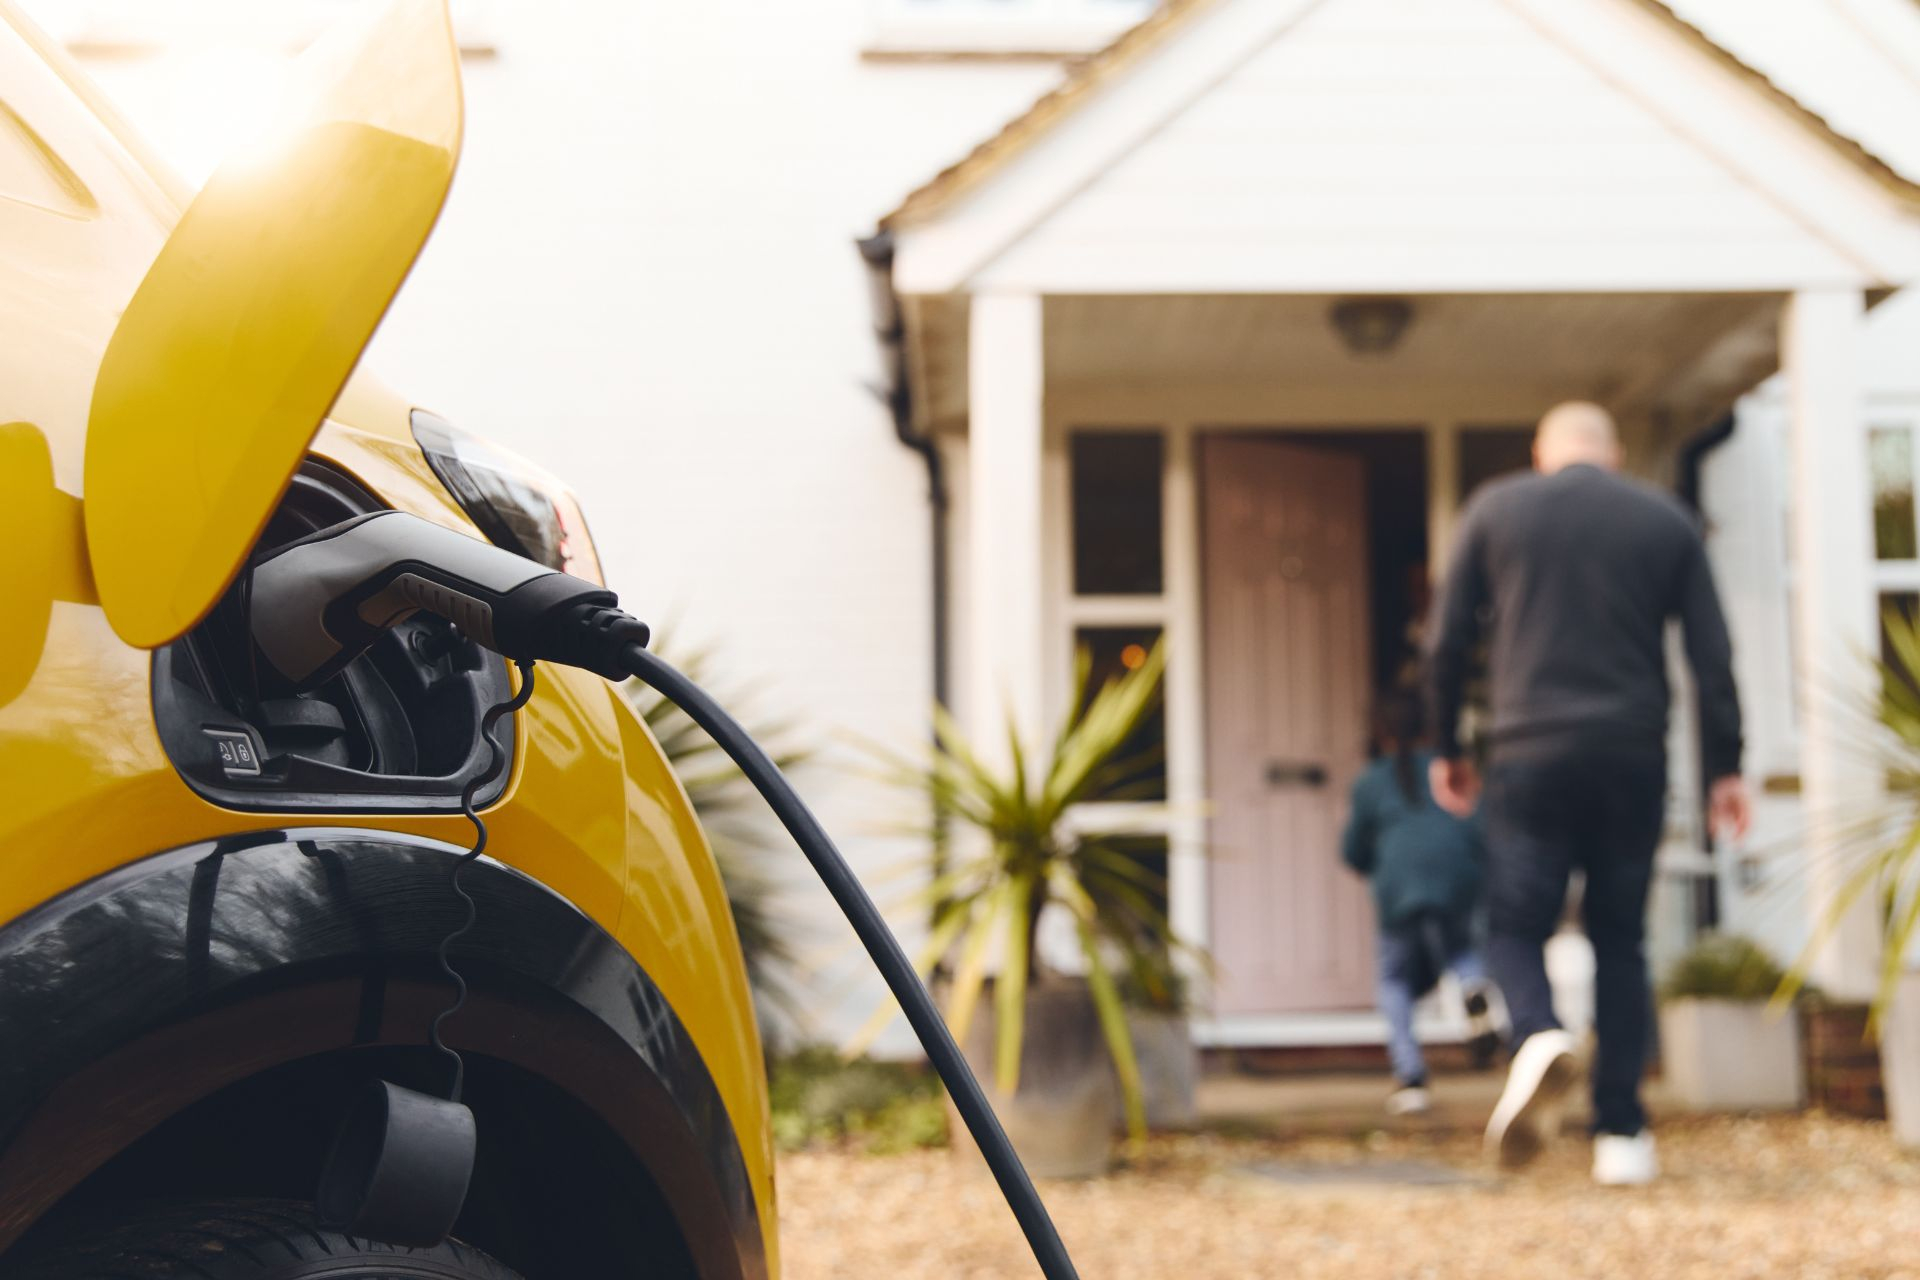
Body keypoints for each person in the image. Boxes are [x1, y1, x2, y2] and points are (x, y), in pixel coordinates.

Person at [1424, 401, 1749, 1186]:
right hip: (1631, 755)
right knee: (1621, 941)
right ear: (1613, 453)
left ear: (1545, 454)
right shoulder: (1664, 520)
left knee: (1513, 925)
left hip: (1530, 752)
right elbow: (1712, 654)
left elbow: (1445, 640)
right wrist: (1725, 767)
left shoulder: (1497, 510)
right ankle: (1622, 1136)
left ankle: (1537, 1033)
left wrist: (1448, 747)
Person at [1342, 689, 1499, 1117]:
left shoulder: (1372, 781)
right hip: (1456, 880)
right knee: (1459, 949)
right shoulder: (1453, 771)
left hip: (1399, 889)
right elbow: (1481, 829)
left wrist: (1372, 860)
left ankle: (1410, 1077)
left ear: (1381, 733)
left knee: (1394, 978)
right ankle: (1472, 988)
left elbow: (1353, 849)